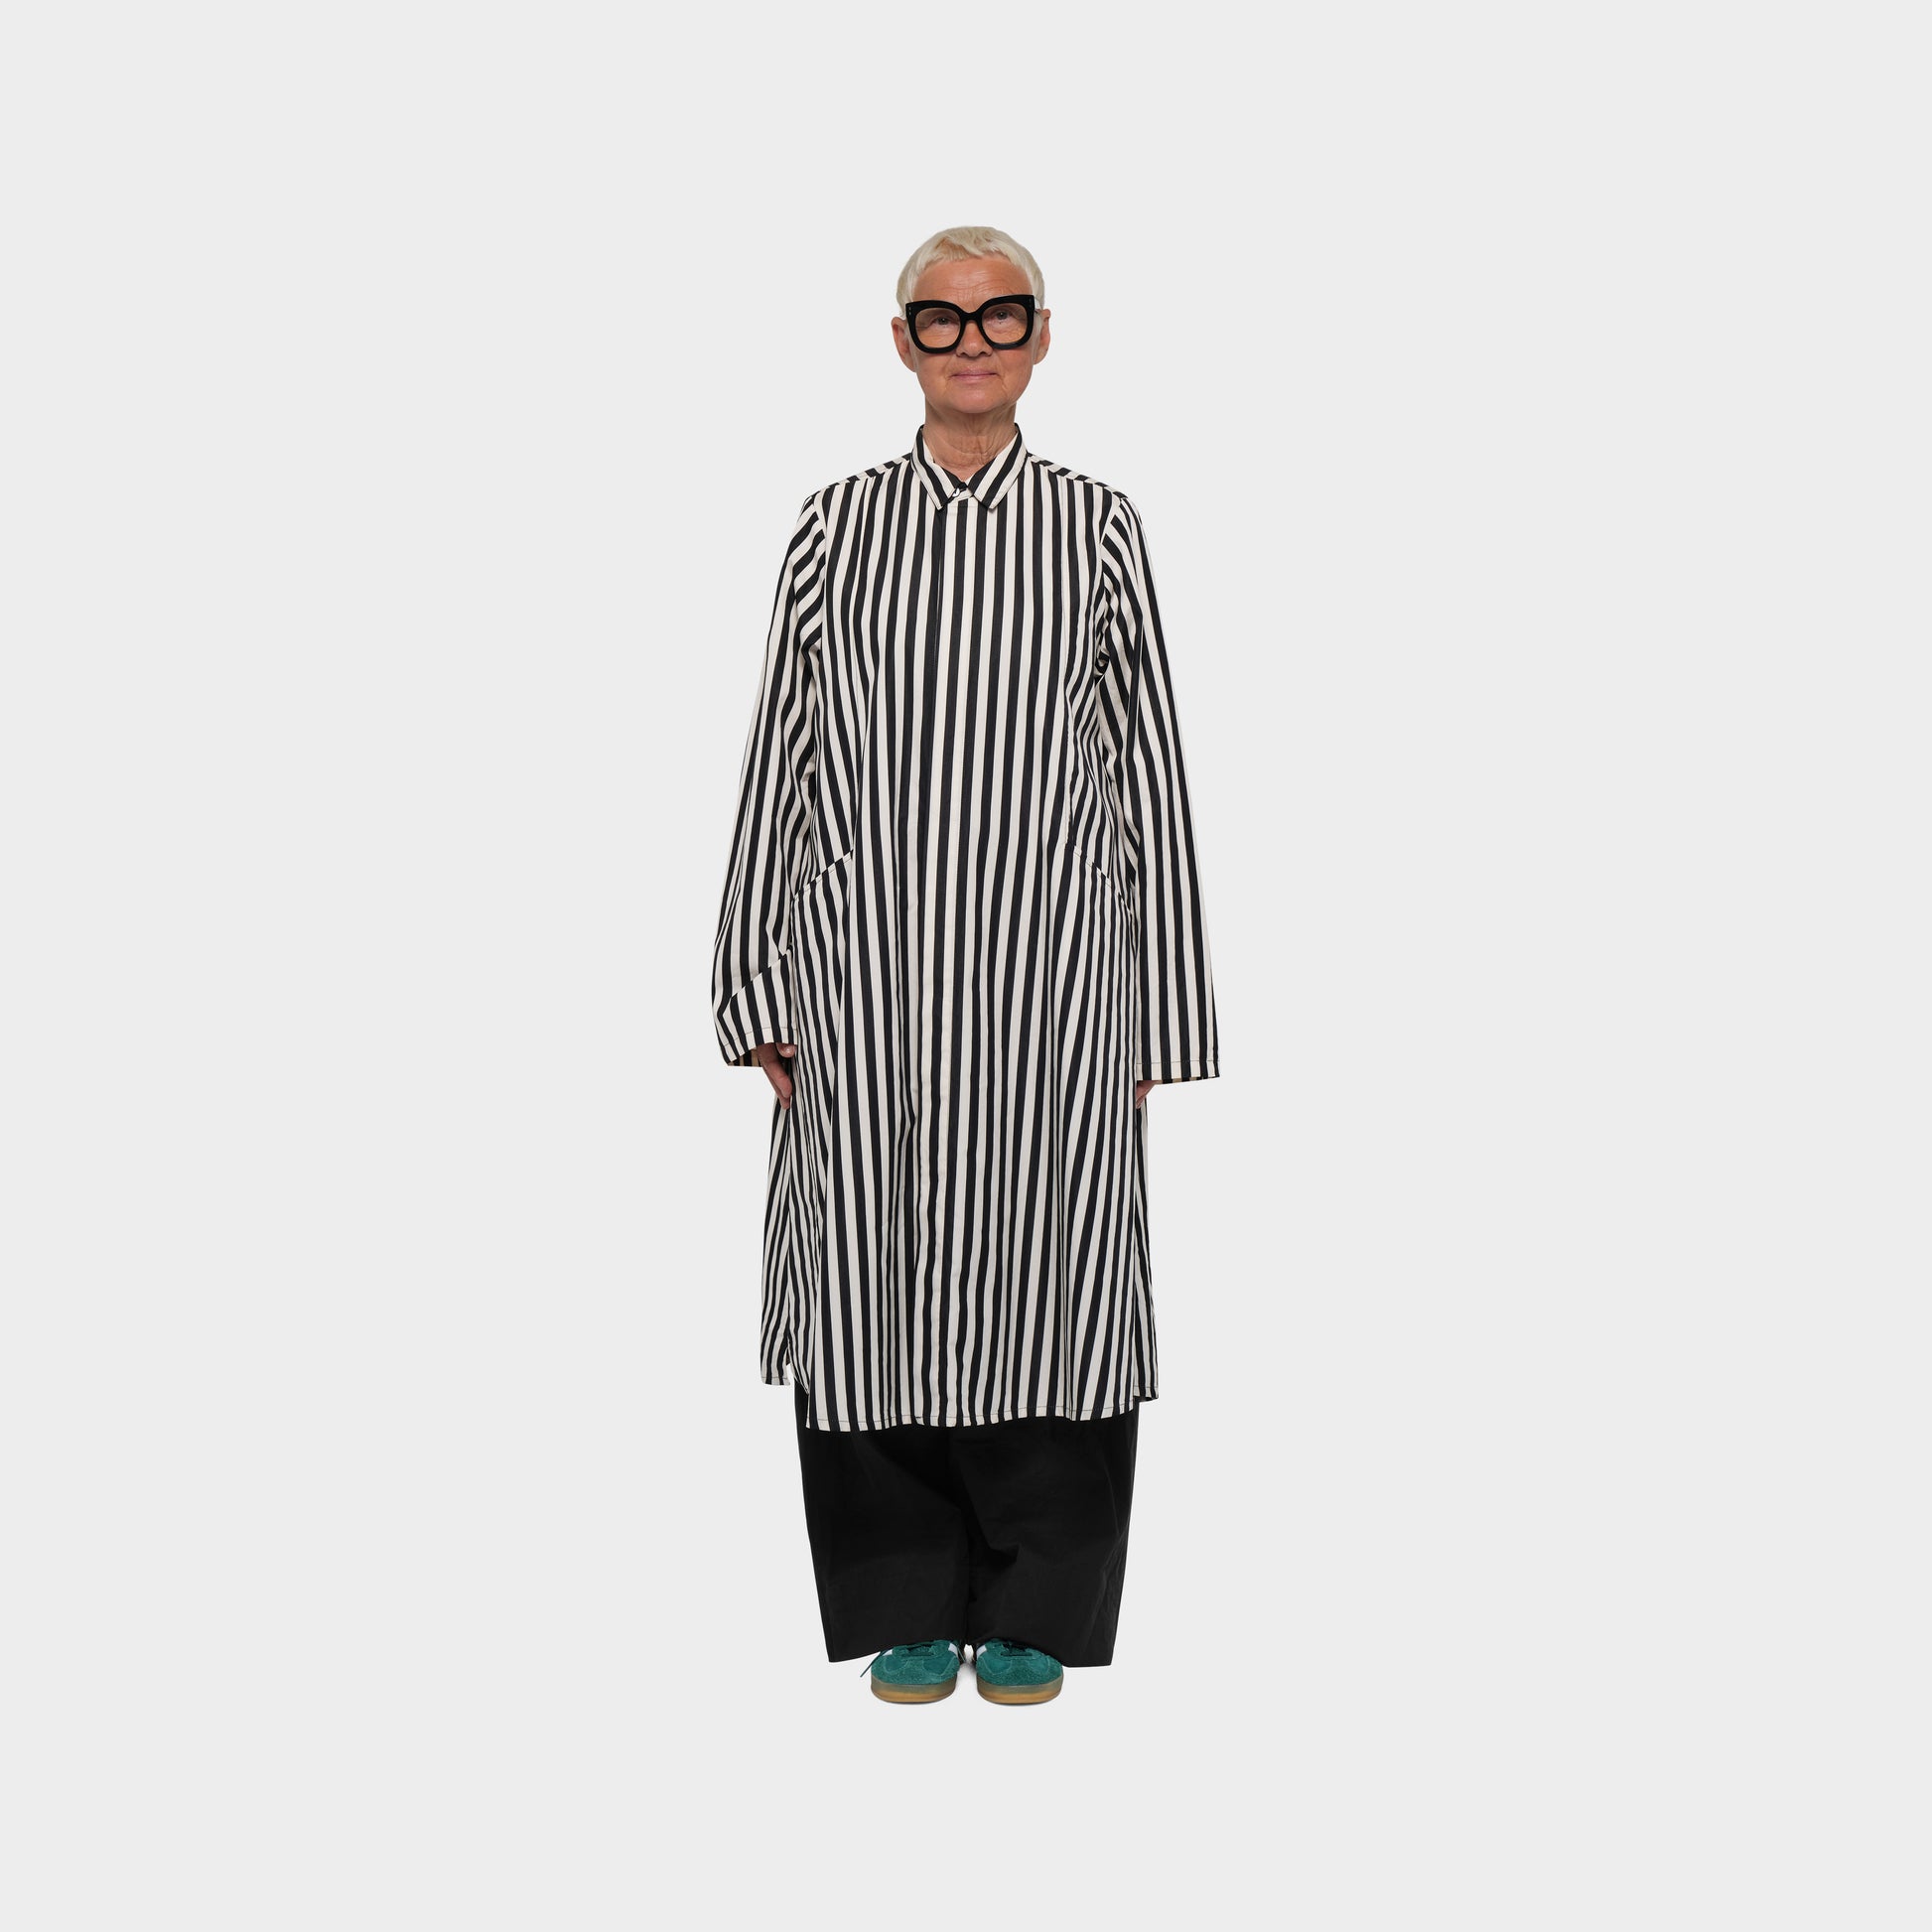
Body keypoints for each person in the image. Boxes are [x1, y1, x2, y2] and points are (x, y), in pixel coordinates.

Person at [710, 225, 1222, 1706]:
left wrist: (1157, 1008)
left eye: (1001, 315)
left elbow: (1145, 766)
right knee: (870, 1272)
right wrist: (753, 978)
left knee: (1051, 1276)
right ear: (903, 343)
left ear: (1042, 335)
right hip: (861, 971)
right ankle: (904, 1600)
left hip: (1054, 973)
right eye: (942, 319)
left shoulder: (1097, 528)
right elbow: (784, 752)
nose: (973, 341)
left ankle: (1039, 1603)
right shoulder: (835, 526)